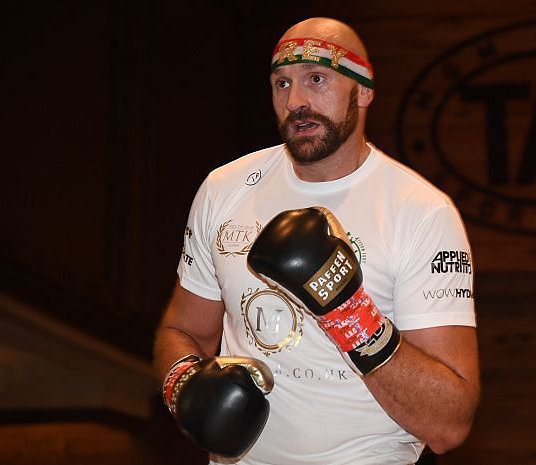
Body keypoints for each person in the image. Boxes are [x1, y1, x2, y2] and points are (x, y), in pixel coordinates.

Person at [153, 16, 480, 465]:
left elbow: (449, 423)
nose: (297, 101)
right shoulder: (224, 190)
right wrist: (184, 382)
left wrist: (349, 314)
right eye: (281, 84)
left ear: (363, 92)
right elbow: (182, 330)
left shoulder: (421, 212)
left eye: (317, 79)